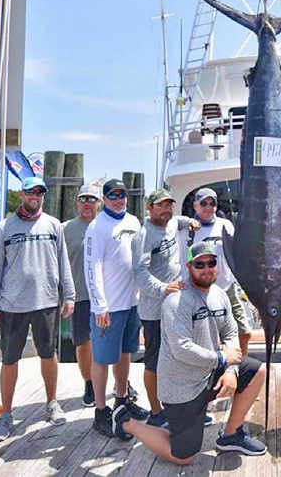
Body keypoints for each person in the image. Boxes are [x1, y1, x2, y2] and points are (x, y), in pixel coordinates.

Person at [112, 242, 267, 461]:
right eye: (199, 264)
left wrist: (231, 370)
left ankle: (231, 435)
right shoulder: (176, 300)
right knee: (183, 457)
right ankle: (126, 422)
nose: (206, 268)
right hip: (181, 387)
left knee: (257, 371)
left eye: (211, 263)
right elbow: (181, 349)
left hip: (210, 372)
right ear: (188, 266)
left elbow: (231, 331)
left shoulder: (219, 295)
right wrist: (222, 358)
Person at [0, 176, 76, 441]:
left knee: (49, 354)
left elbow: (63, 264)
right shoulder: (3, 228)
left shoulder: (53, 225)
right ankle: (7, 415)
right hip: (12, 306)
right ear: (21, 194)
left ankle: (51, 403)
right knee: (10, 359)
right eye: (30, 191)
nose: (35, 195)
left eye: (40, 192)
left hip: (46, 302)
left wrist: (69, 295)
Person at [85, 179, 151, 437]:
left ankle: (121, 400)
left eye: (122, 194)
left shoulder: (134, 222)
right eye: (112, 195)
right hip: (108, 308)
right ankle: (100, 412)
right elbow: (92, 268)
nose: (118, 199)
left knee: (125, 354)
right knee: (101, 358)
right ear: (104, 199)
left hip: (132, 303)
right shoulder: (97, 227)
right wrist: (100, 306)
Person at [132, 188, 200, 428]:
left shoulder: (172, 223)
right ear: (149, 208)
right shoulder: (144, 235)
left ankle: (179, 407)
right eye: (160, 205)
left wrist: (189, 220)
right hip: (154, 311)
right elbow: (139, 272)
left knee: (179, 357)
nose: (166, 209)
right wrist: (163, 288)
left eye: (169, 205)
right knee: (153, 362)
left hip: (176, 307)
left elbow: (179, 221)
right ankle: (156, 412)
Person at [178, 187, 252, 354]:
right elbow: (163, 221)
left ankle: (240, 367)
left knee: (245, 332)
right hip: (200, 291)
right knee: (207, 338)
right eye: (203, 203)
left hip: (227, 288)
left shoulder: (225, 224)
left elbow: (237, 252)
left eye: (212, 203)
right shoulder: (185, 228)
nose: (208, 207)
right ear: (195, 205)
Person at [62, 183, 101, 407]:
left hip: (107, 296)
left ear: (99, 203)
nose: (87, 203)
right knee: (84, 342)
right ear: (77, 202)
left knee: (110, 342)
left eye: (92, 199)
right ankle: (89, 383)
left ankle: (119, 383)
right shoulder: (65, 228)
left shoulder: (106, 224)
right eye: (83, 199)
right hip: (80, 296)